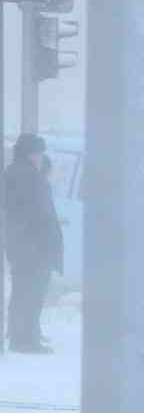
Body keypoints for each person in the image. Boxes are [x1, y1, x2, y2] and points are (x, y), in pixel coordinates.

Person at [4, 134, 63, 354]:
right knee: (31, 291)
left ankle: (24, 334)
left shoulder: (17, 172)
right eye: (39, 152)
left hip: (23, 244)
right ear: (30, 152)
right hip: (32, 246)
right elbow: (38, 213)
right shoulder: (27, 176)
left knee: (24, 290)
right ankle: (25, 340)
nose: (41, 156)